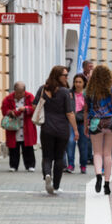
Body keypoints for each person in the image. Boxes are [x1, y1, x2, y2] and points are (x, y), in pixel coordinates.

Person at [86, 65, 112, 194]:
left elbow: (86, 110)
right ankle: (107, 183)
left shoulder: (89, 91)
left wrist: (85, 127)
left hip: (95, 123)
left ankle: (98, 174)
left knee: (97, 153)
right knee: (108, 153)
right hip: (111, 122)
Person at [37, 65, 78, 195]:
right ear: (57, 76)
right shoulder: (65, 92)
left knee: (47, 156)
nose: (67, 77)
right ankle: (56, 185)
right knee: (59, 157)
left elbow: (34, 105)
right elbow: (70, 113)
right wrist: (76, 130)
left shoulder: (43, 89)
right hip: (62, 129)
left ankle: (47, 174)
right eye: (64, 75)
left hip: (47, 128)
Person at [2, 82, 37, 171]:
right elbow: (4, 110)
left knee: (28, 147)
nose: (19, 95)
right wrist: (11, 112)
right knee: (13, 148)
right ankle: (13, 165)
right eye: (17, 92)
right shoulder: (8, 98)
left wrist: (26, 109)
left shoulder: (30, 97)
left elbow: (34, 108)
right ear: (14, 91)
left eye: (21, 93)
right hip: (13, 127)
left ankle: (30, 165)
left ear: (24, 91)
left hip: (27, 126)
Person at [67, 73, 92, 174]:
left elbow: (88, 109)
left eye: (80, 82)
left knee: (83, 144)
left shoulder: (87, 94)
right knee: (70, 142)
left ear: (84, 83)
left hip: (83, 122)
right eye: (76, 82)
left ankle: (83, 165)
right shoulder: (69, 93)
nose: (77, 84)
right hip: (71, 122)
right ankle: (71, 165)